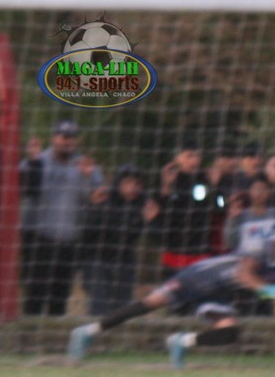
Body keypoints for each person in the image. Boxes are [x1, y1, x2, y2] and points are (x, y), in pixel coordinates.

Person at [66, 219, 275, 369]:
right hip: (197, 278)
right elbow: (244, 275)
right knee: (149, 304)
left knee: (230, 332)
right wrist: (269, 290)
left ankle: (181, 342)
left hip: (218, 294)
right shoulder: (262, 246)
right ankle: (86, 332)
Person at [20, 120, 102, 316]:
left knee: (60, 294)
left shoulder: (84, 165)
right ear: (54, 138)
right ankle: (28, 337)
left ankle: (53, 339)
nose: (68, 142)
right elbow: (24, 189)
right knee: (35, 292)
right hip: (39, 237)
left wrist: (87, 176)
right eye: (64, 137)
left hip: (70, 240)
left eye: (72, 138)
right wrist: (32, 161)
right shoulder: (38, 160)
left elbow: (96, 198)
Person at [82, 165, 153, 317]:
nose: (132, 187)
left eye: (137, 183)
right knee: (99, 308)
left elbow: (133, 238)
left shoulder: (142, 205)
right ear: (119, 183)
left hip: (125, 263)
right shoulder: (103, 200)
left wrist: (147, 221)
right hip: (98, 261)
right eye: (128, 182)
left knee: (122, 310)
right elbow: (87, 234)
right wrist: (93, 209)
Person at [152, 139, 218, 276]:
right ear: (178, 158)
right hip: (173, 257)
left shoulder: (205, 180)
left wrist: (216, 187)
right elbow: (157, 216)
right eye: (189, 156)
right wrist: (165, 189)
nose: (194, 161)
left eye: (197, 156)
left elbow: (220, 208)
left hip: (200, 255)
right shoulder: (168, 181)